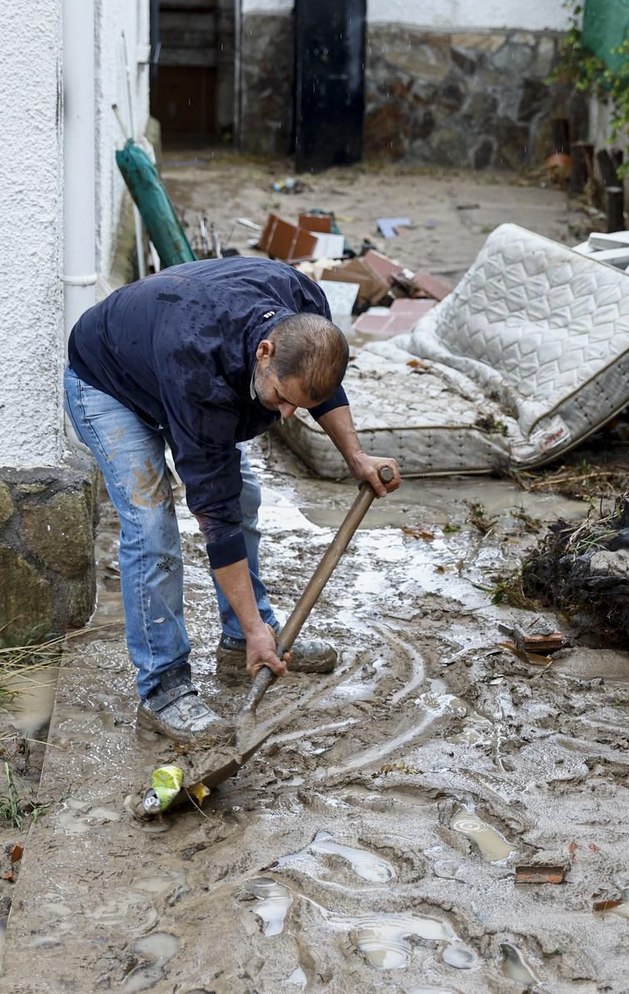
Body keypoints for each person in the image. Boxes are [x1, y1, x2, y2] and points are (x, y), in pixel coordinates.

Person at [63, 257, 399, 740]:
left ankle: (243, 639)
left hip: (168, 352)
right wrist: (263, 630)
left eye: (297, 405)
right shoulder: (199, 368)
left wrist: (356, 456)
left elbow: (317, 386)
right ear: (265, 351)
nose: (286, 415)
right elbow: (214, 518)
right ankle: (165, 690)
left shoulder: (305, 314)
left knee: (246, 497)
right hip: (108, 380)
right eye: (282, 397)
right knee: (152, 523)